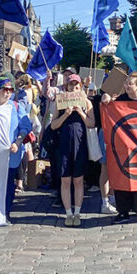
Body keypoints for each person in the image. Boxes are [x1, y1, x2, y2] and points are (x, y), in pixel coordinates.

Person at [102, 73, 137, 224]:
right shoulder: (119, 101)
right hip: (123, 147)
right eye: (126, 83)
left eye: (130, 84)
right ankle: (123, 212)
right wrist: (105, 98)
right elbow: (103, 105)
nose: (126, 86)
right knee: (122, 179)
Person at [51, 74, 94, 227]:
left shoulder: (86, 102)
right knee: (65, 179)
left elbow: (91, 123)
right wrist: (66, 115)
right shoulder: (60, 102)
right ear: (66, 87)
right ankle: (68, 213)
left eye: (76, 86)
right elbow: (53, 125)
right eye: (71, 85)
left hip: (79, 144)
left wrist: (80, 112)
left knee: (78, 180)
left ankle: (77, 212)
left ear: (80, 87)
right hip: (63, 144)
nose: (73, 88)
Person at [0, 77, 32, 224]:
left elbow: (25, 126)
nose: (8, 93)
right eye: (5, 89)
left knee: (8, 183)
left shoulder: (16, 107)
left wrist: (18, 141)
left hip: (11, 152)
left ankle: (5, 212)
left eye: (10, 90)